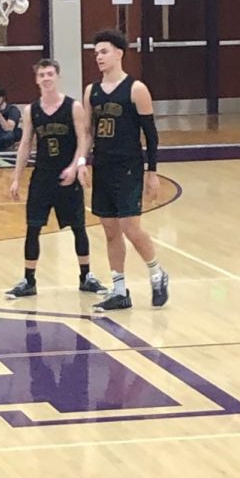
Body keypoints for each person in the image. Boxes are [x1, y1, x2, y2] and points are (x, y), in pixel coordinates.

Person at [5, 58, 108, 298]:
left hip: (68, 177)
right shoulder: (32, 110)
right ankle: (29, 280)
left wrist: (76, 166)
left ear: (57, 77)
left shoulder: (73, 107)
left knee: (79, 228)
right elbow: (25, 145)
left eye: (50, 74)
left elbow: (83, 139)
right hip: (42, 176)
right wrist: (16, 178)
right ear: (37, 80)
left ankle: (86, 277)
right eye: (42, 75)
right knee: (33, 228)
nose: (46, 78)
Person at [83, 29, 169, 311]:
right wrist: (83, 162)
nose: (99, 57)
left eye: (104, 52)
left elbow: (151, 135)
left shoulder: (136, 89)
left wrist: (152, 171)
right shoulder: (91, 92)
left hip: (129, 166)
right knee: (109, 230)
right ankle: (120, 289)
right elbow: (87, 132)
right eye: (96, 53)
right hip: (103, 166)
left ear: (119, 53)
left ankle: (157, 273)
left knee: (130, 227)